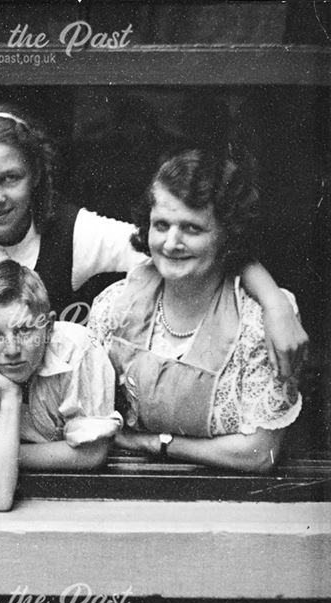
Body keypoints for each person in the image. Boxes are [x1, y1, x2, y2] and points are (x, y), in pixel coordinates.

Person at [0, 103, 307, 379]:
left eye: (12, 179)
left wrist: (276, 307)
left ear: (37, 176)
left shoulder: (74, 233)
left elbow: (177, 250)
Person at [88, 147, 302, 473]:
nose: (171, 243)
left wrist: (157, 443)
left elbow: (260, 453)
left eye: (192, 228)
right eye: (161, 225)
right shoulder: (113, 306)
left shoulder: (260, 320)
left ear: (227, 236)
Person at [0, 261, 121, 511]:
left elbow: (93, 453)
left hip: (89, 502)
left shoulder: (77, 349)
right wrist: (10, 398)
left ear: (48, 328)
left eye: (25, 330)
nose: (12, 350)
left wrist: (3, 457)